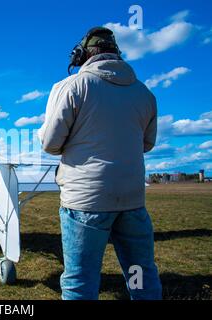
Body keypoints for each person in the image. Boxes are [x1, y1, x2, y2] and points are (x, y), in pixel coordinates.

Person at [39, 27, 162, 300]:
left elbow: (50, 144)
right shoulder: (145, 94)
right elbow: (147, 143)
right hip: (132, 199)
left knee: (80, 281)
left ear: (82, 55)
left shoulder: (71, 87)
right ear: (116, 53)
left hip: (86, 201)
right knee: (141, 276)